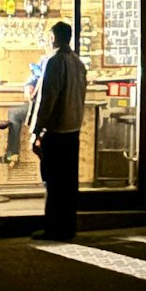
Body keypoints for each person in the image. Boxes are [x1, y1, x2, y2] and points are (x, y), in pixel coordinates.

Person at [27, 20, 87, 241]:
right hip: (73, 131)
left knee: (53, 182)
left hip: (56, 132)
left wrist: (35, 131)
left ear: (53, 38)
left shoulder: (54, 62)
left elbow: (47, 100)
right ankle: (68, 227)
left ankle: (53, 228)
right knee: (69, 184)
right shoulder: (78, 63)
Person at [1, 61, 42, 165]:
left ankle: (12, 154)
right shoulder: (45, 61)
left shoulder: (51, 62)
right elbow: (34, 77)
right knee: (15, 114)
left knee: (15, 114)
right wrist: (28, 85)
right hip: (39, 104)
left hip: (45, 106)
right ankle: (12, 154)